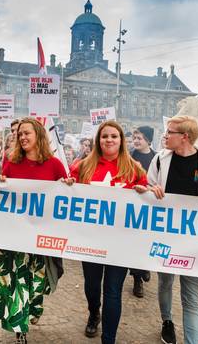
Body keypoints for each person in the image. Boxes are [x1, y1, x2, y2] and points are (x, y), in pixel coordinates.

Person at [147, 115, 198, 344]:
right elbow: (148, 188)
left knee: (191, 297)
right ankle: (167, 321)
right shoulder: (159, 159)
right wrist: (148, 190)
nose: (165, 136)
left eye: (170, 132)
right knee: (165, 282)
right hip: (165, 235)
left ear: (184, 137)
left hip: (195, 238)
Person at [66, 120, 149, 344]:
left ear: (121, 140)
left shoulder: (135, 169)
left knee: (112, 290)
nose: (109, 140)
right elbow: (65, 193)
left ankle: (109, 339)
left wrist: (147, 191)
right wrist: (67, 185)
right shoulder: (82, 166)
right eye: (105, 136)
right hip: (89, 239)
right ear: (98, 140)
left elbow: (147, 199)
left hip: (120, 243)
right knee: (92, 286)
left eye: (114, 136)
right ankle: (94, 312)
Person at [0, 117, 67, 344]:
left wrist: (68, 185)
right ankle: (19, 327)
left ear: (39, 136)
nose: (22, 137)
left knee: (37, 284)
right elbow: (3, 197)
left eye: (27, 133)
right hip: (16, 236)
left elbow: (66, 201)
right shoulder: (11, 164)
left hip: (42, 238)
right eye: (20, 134)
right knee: (18, 281)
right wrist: (1, 183)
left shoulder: (54, 165)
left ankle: (32, 309)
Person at [128, 126, 156, 297]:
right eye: (135, 137)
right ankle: (137, 280)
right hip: (133, 206)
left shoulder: (157, 158)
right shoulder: (129, 156)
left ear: (148, 140)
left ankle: (146, 267)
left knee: (148, 242)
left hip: (151, 207)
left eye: (140, 138)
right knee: (135, 244)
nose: (136, 141)